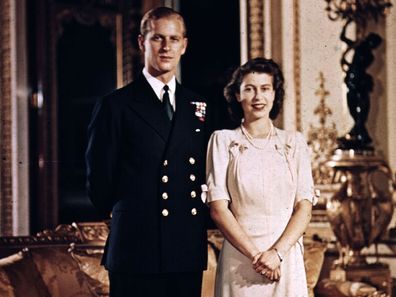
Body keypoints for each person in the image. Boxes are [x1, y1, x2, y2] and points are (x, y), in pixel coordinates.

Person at [85, 7, 211, 297]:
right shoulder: (115, 106)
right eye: (157, 38)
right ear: (141, 42)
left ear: (184, 45)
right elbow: (99, 185)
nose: (166, 47)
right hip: (136, 248)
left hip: (185, 249)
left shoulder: (198, 106)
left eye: (173, 38)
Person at [206, 57, 315, 296]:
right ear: (237, 95)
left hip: (285, 259)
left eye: (265, 89)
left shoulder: (294, 143)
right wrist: (257, 257)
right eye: (249, 89)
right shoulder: (223, 141)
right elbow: (218, 209)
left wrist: (276, 254)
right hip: (241, 261)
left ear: (275, 94)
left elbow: (304, 207)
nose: (258, 97)